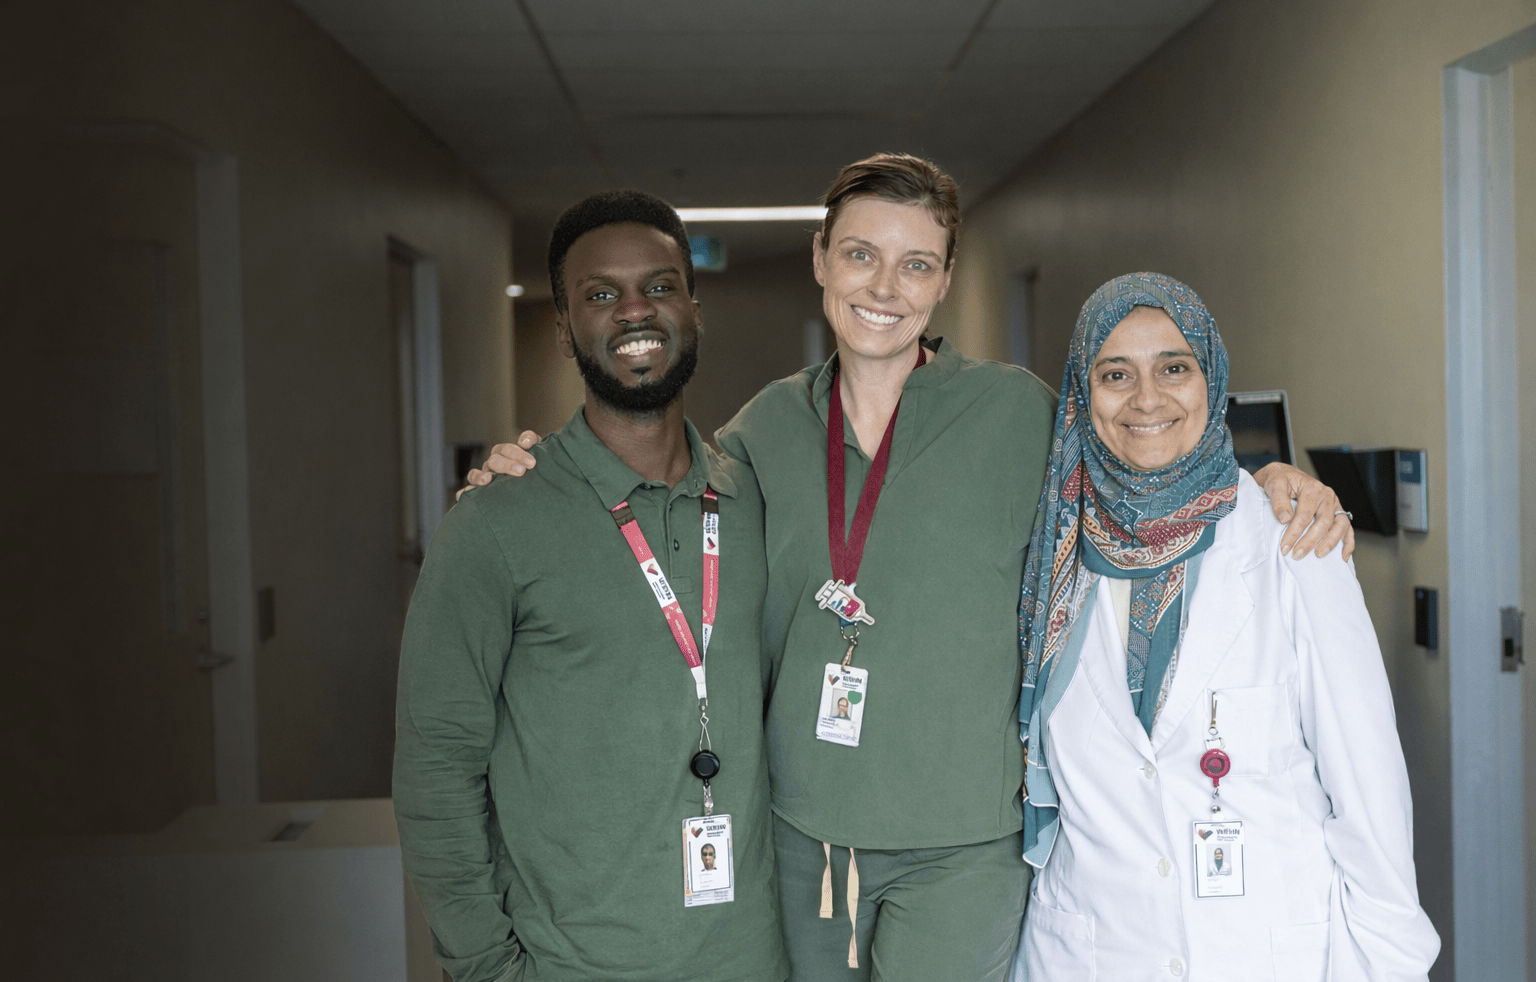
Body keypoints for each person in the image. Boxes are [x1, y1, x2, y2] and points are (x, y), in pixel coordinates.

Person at [467, 156, 1351, 981]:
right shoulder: (762, 431)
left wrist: (1268, 484)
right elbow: (649, 490)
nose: (884, 289)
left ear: (946, 280)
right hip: (800, 831)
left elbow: (1142, 471)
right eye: (860, 255)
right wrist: (526, 467)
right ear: (820, 259)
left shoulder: (1017, 416)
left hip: (964, 847)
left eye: (916, 265)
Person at [393, 191, 787, 982]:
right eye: (600, 295)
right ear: (566, 325)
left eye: (660, 285)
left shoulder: (759, 502)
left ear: (694, 308)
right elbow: (436, 768)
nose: (634, 310)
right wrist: (484, 968)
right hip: (572, 964)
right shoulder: (496, 523)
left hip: (754, 961)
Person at [1011, 273, 1438, 981]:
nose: (1147, 399)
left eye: (1174, 368)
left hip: (1265, 951)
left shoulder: (1294, 541)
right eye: (1115, 374)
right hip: (1091, 954)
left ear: (1212, 378)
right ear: (1083, 396)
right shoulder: (1052, 553)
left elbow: (1370, 798)